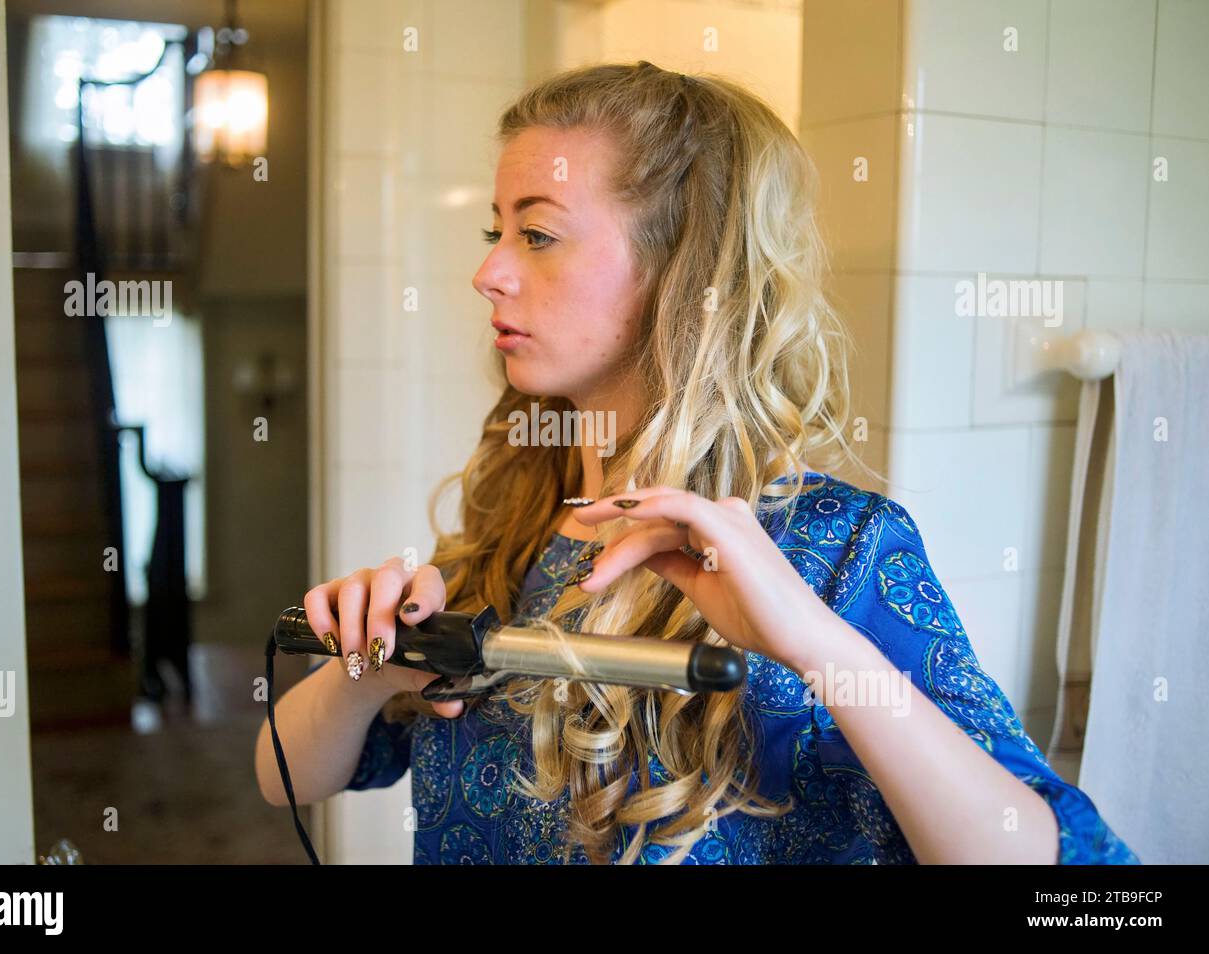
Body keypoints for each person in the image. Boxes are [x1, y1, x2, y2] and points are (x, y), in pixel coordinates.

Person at [254, 61, 1138, 865]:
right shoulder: (512, 529)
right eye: (497, 230)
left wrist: (809, 639)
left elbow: (1073, 878)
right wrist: (362, 669)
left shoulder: (839, 550)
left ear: (679, 269)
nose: (488, 271)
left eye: (538, 235)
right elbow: (282, 775)